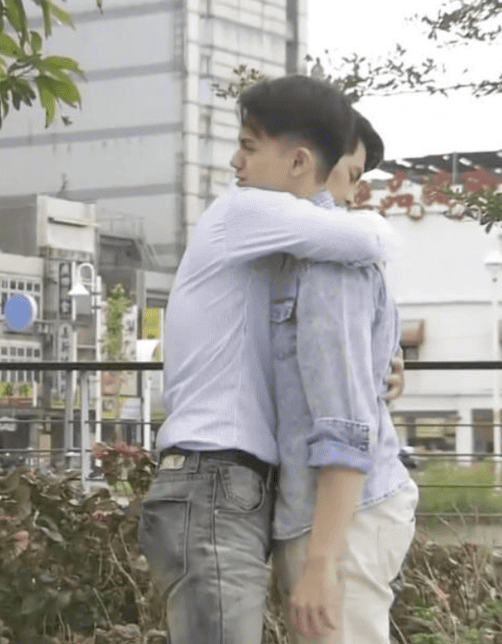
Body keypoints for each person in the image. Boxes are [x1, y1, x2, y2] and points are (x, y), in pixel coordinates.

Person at [137, 75, 403, 644]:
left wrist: (381, 359)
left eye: (248, 146)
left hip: (221, 482)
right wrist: (376, 222)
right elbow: (367, 242)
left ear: (298, 160)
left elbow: (327, 352)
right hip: (213, 477)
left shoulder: (276, 241)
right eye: (351, 175)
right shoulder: (247, 212)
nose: (235, 161)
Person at [267, 108, 419, 644]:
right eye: (351, 176)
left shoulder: (331, 259)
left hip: (339, 519)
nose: (352, 196)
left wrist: (321, 561)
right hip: (329, 515)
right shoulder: (289, 253)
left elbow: (345, 423)